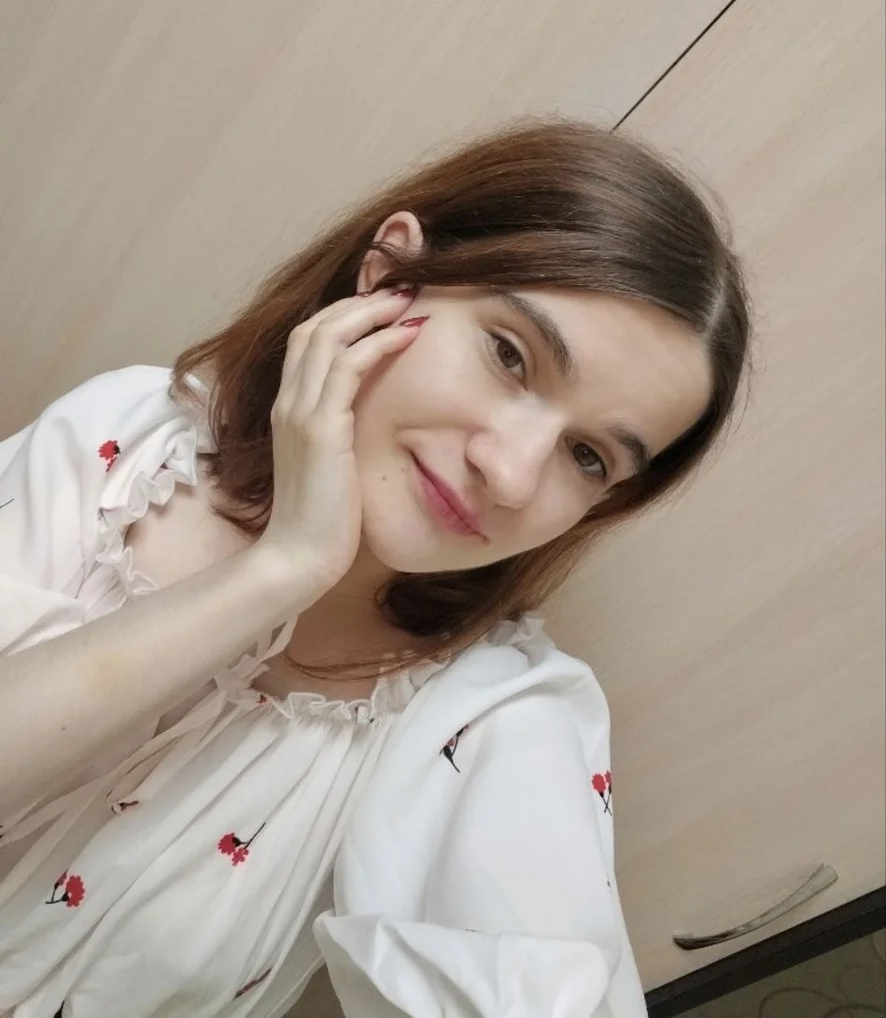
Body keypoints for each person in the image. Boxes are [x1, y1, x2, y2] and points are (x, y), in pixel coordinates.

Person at [0, 119, 751, 1017]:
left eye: (587, 456)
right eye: (509, 354)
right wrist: (283, 567)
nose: (511, 473)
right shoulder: (125, 450)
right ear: (389, 277)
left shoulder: (492, 715)